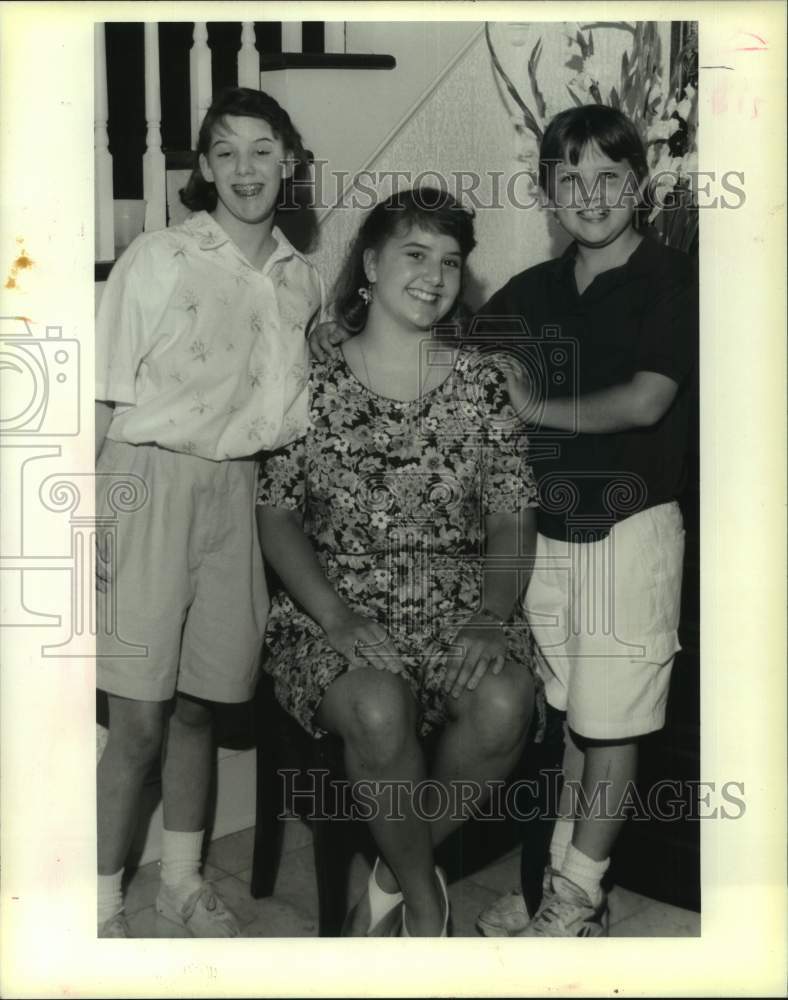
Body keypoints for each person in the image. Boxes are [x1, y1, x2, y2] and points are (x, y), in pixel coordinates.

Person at [256, 188, 543, 937]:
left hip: (459, 607)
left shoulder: (485, 384)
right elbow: (277, 514)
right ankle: (423, 898)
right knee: (379, 708)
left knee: (507, 701)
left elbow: (514, 514)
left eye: (451, 261)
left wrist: (491, 616)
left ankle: (390, 871)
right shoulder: (307, 378)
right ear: (373, 264)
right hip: (332, 605)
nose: (435, 274)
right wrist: (338, 617)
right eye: (415, 254)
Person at [94, 87, 324, 938]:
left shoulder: (303, 279)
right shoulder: (158, 257)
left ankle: (182, 884)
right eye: (223, 152)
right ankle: (102, 905)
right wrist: (94, 526)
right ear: (203, 168)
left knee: (200, 705)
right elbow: (103, 400)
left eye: (261, 149)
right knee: (139, 721)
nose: (244, 170)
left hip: (239, 494)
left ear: (289, 161)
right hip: (148, 482)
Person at [473, 104, 697, 936]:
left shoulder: (672, 279)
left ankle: (572, 899)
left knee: (613, 728)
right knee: (576, 722)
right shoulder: (531, 291)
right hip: (550, 542)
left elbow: (648, 399)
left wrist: (534, 402)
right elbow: (449, 358)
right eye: (570, 179)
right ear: (546, 194)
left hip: (628, 532)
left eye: (608, 176)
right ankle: (567, 889)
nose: (590, 194)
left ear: (637, 184)